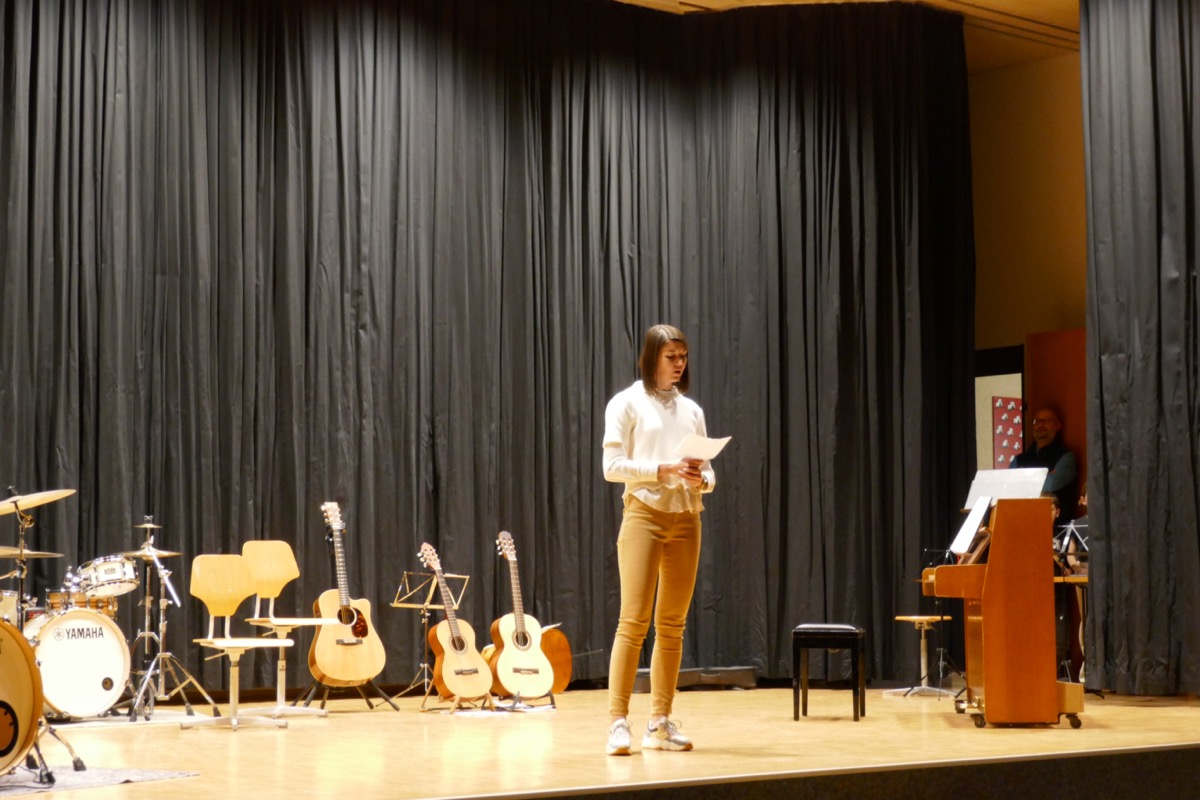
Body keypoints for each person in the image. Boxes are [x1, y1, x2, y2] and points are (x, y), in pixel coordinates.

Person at [601, 323, 715, 756]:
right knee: (633, 622)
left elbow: (709, 472)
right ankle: (617, 722)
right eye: (671, 357)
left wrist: (701, 479)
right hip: (644, 514)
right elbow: (611, 467)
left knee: (672, 625)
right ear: (651, 358)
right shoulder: (626, 403)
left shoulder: (692, 410)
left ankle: (659, 723)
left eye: (683, 356)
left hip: (686, 517)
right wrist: (662, 470)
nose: (679, 363)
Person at [1010, 406, 1078, 531]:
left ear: (1058, 426)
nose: (1040, 425)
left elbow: (1050, 485)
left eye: (1046, 421)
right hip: (1022, 523)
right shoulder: (1018, 459)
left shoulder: (1066, 457)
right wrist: (1043, 477)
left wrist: (1021, 481)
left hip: (1056, 528)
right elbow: (1009, 488)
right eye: (1037, 421)